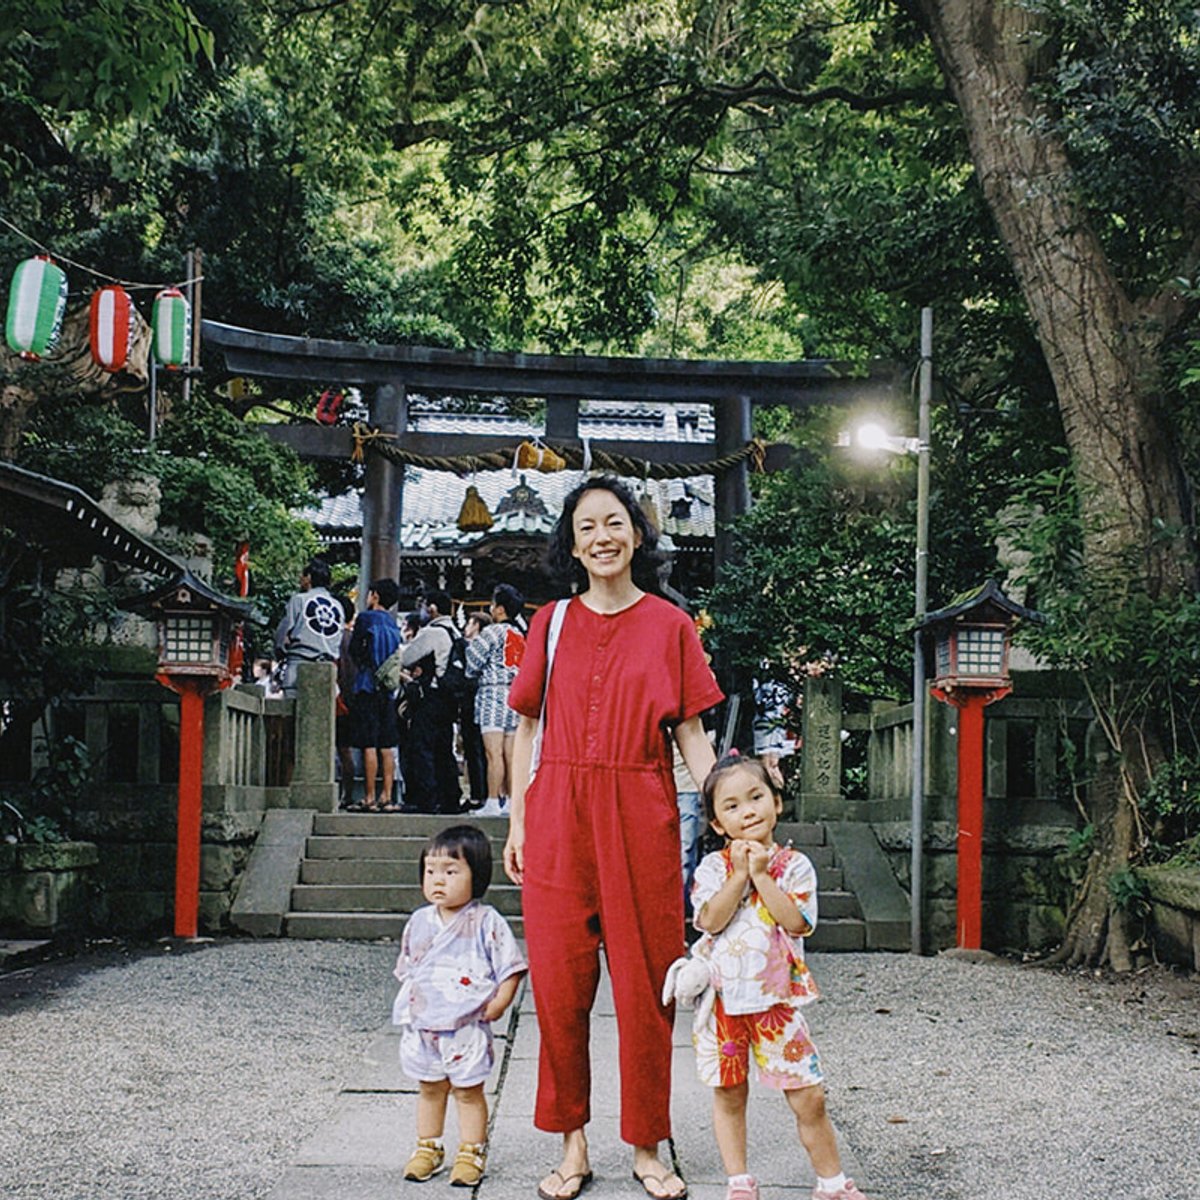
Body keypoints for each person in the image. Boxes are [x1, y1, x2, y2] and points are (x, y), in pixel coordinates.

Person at [504, 476, 722, 1200]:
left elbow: (691, 733)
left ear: (637, 534)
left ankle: (649, 1146)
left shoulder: (670, 626)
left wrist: (731, 818)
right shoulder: (551, 623)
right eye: (588, 526)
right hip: (558, 809)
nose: (603, 536)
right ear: (572, 543)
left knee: (644, 990)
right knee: (561, 988)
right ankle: (572, 1147)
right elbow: (526, 725)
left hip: (641, 809)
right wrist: (518, 821)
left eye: (616, 523)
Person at [691, 754, 868, 1200]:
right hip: (723, 1001)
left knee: (809, 1096)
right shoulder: (711, 870)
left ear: (777, 803)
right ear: (716, 824)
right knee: (729, 1092)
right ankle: (739, 1181)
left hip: (777, 1002)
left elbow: (797, 922)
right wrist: (738, 876)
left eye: (756, 797)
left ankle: (830, 1182)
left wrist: (762, 874)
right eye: (731, 806)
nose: (747, 810)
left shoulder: (796, 866)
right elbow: (710, 920)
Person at [393, 825, 527, 1186]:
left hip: (465, 1023)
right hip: (425, 1022)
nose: (438, 880)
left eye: (451, 872)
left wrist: (500, 1001)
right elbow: (409, 969)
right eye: (431, 871)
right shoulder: (419, 921)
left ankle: (471, 1149)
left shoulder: (486, 922)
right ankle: (428, 1146)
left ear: (477, 876)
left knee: (468, 1090)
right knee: (429, 1086)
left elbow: (510, 966)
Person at [399, 590, 464, 814]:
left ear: (433, 608)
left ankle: (426, 798)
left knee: (422, 746)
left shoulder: (432, 632)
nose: (423, 610)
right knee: (444, 749)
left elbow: (406, 658)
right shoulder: (455, 631)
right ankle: (450, 798)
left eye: (425, 606)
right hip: (448, 698)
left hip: (431, 697)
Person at [465, 584, 526, 817]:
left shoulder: (492, 631)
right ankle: (511, 800)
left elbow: (473, 661)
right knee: (511, 754)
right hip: (515, 696)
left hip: (493, 694)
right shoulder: (519, 633)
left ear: (500, 609)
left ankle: (492, 800)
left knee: (493, 753)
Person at [349, 578, 402, 810]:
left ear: (376, 596)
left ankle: (369, 796)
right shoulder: (393, 625)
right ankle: (387, 796)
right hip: (388, 689)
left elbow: (354, 650)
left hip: (367, 685)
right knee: (386, 744)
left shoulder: (365, 619)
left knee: (368, 743)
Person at [273, 558, 344, 698]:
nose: (301, 579)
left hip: (298, 663)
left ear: (309, 577)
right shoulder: (338, 606)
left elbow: (283, 633)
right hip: (326, 668)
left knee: (293, 713)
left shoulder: (299, 600)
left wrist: (280, 651)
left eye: (303, 575)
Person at [460, 609, 492, 810]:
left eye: (470, 623)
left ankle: (478, 793)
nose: (466, 627)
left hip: (473, 700)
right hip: (488, 702)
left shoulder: (473, 648)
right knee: (484, 750)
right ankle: (485, 793)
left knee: (475, 749)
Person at [334, 595, 357, 809]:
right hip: (354, 698)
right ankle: (348, 794)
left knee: (337, 748)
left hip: (336, 697)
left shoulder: (334, 637)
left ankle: (341, 793)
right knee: (345, 750)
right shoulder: (357, 638)